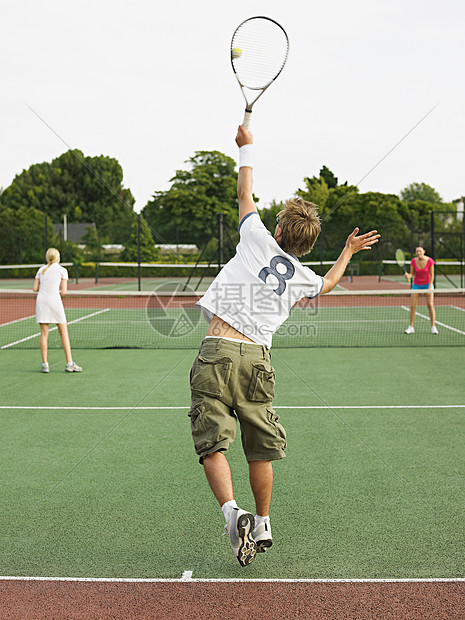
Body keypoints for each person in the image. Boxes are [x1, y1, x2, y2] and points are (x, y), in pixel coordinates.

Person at [188, 125, 379, 567]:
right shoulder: (305, 278)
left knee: (212, 445)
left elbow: (244, 192)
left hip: (218, 348)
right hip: (259, 359)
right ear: (308, 244)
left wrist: (246, 146)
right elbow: (330, 283)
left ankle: (231, 512)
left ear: (277, 228)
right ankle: (263, 521)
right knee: (260, 448)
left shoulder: (254, 236)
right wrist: (348, 250)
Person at [33, 248, 82, 373]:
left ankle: (45, 365)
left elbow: (34, 288)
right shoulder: (62, 270)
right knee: (64, 333)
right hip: (55, 302)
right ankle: (69, 363)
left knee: (44, 334)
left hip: (41, 302)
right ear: (58, 258)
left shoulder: (41, 270)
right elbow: (64, 292)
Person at [404, 245, 438, 334]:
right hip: (416, 285)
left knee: (430, 305)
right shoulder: (413, 261)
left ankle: (433, 327)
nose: (418, 253)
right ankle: (411, 327)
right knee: (412, 306)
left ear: (424, 251)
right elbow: (412, 274)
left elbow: (432, 275)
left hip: (428, 285)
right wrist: (408, 276)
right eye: (417, 251)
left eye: (420, 251)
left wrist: (429, 287)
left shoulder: (430, 261)